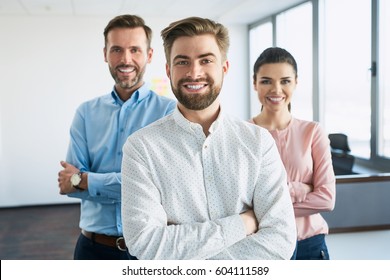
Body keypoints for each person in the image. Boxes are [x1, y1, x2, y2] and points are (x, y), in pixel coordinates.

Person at [121, 17, 296, 260]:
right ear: (169, 70)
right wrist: (242, 225)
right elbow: (146, 244)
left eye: (206, 60)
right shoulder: (142, 148)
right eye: (182, 62)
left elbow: (280, 241)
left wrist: (186, 255)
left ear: (224, 68)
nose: (194, 72)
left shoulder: (258, 142)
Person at [57, 14, 176, 260]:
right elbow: (70, 186)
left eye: (135, 50)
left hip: (150, 251)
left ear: (150, 55)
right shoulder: (86, 113)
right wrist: (83, 182)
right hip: (91, 249)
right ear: (105, 54)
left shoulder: (169, 113)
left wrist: (87, 180)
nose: (125, 59)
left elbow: (162, 187)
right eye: (117, 50)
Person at [250, 47, 336, 260]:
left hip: (309, 244)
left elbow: (326, 200)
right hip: (262, 246)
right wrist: (300, 189)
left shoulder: (313, 132)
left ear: (296, 82)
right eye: (266, 81)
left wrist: (268, 207)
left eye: (285, 81)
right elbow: (239, 203)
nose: (276, 89)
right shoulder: (242, 135)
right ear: (255, 83)